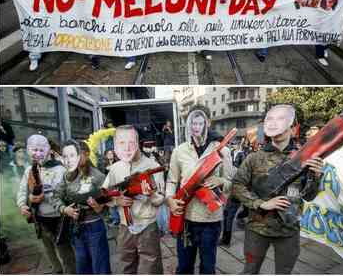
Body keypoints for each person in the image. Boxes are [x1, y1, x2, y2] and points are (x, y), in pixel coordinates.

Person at [232, 104, 323, 274]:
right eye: (271, 119)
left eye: (281, 119)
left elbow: (309, 196)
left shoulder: (304, 158)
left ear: (292, 126)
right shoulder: (254, 158)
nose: (275, 124)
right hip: (257, 229)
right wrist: (261, 203)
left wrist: (316, 176)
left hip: (289, 231)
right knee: (250, 271)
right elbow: (237, 186)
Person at [166, 106, 230, 274]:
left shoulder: (222, 150)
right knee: (184, 267)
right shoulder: (179, 151)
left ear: (207, 123)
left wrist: (220, 180)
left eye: (200, 122)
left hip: (211, 220)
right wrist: (169, 200)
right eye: (192, 122)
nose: (196, 127)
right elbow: (172, 180)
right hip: (186, 218)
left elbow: (232, 182)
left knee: (208, 268)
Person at [102, 125, 165, 274]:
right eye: (122, 143)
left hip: (147, 226)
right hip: (125, 227)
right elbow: (105, 195)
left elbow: (160, 200)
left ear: (138, 142)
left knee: (151, 268)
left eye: (131, 142)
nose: (127, 147)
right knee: (126, 266)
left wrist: (151, 195)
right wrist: (118, 201)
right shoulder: (115, 169)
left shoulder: (153, 166)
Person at [17, 134, 76, 274]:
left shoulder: (60, 169)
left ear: (48, 150)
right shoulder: (29, 170)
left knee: (65, 251)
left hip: (59, 218)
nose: (37, 153)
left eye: (41, 149)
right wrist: (22, 205)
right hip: (40, 218)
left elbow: (62, 193)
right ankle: (57, 271)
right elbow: (22, 190)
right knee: (48, 250)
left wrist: (45, 195)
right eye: (34, 149)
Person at [54, 140, 111, 274]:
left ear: (87, 154)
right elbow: (56, 196)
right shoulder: (67, 176)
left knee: (100, 267)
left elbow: (110, 205)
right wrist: (64, 209)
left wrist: (100, 208)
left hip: (95, 227)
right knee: (82, 267)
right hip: (76, 228)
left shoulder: (98, 177)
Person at [24, 0, 55, 71]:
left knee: (45, 32)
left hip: (45, 10)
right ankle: (34, 58)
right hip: (31, 11)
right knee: (34, 32)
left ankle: (46, 47)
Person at [220, 143, 248, 246]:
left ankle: (226, 240)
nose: (233, 146)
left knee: (228, 215)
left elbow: (238, 173)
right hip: (235, 189)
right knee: (227, 214)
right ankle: (225, 239)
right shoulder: (231, 154)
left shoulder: (241, 156)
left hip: (237, 190)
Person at [124, 0, 144, 70]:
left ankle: (140, 53)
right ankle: (131, 60)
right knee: (130, 37)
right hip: (131, 17)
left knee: (141, 37)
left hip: (142, 17)